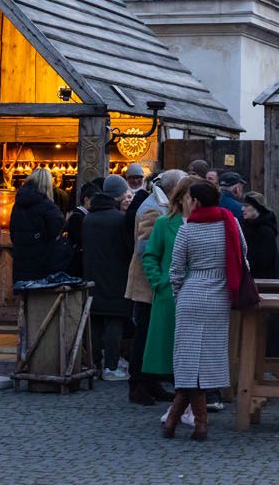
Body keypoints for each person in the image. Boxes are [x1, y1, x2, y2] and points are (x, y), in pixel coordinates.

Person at [163, 182, 247, 441]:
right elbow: (243, 255)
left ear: (196, 202)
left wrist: (180, 295)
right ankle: (196, 423)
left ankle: (180, 422)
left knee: (187, 359)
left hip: (191, 294)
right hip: (219, 296)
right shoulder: (230, 223)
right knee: (207, 358)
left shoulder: (188, 230)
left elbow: (176, 270)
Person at [125, 169, 184, 406]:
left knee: (151, 334)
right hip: (147, 283)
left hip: (154, 282)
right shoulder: (152, 208)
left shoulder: (161, 204)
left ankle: (150, 383)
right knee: (144, 334)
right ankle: (137, 384)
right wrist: (159, 280)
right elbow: (145, 249)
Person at [142, 179, 190, 417]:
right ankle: (183, 405)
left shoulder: (206, 224)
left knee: (191, 351)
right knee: (169, 349)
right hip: (169, 293)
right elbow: (150, 255)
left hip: (196, 293)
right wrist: (159, 282)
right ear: (180, 198)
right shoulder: (164, 223)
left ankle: (189, 404)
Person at [83, 174, 133, 380]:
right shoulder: (120, 219)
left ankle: (94, 364)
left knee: (95, 320)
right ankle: (111, 367)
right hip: (117, 277)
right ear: (119, 195)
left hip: (92, 275)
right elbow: (128, 249)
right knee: (114, 321)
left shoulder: (88, 218)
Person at [10, 168, 69, 283]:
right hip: (41, 264)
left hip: (21, 264)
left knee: (25, 297)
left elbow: (13, 233)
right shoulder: (48, 207)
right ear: (47, 185)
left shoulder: (17, 206)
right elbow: (58, 229)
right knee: (40, 298)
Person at [241, 192, 279, 278]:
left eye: (247, 206)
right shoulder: (245, 227)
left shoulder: (266, 231)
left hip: (265, 280)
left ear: (257, 208)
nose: (242, 209)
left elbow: (263, 261)